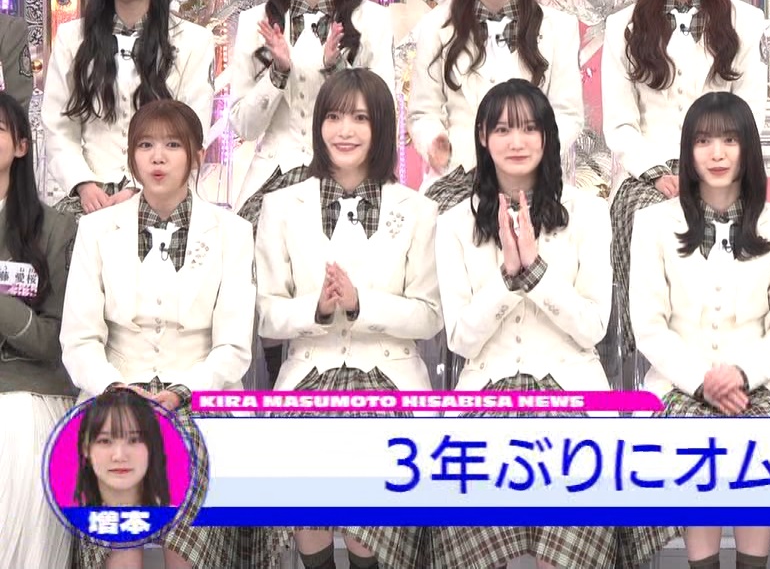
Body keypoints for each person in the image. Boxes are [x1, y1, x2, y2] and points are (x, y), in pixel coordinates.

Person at [255, 68, 441, 569]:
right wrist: (316, 309)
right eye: (334, 117)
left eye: (360, 118)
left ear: (381, 127)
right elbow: (267, 315)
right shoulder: (281, 206)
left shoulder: (418, 210)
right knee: (307, 500)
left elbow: (430, 316)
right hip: (309, 373)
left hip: (389, 377)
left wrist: (361, 305)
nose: (345, 131)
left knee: (367, 510)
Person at [61, 99, 255, 569]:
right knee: (114, 454)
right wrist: (114, 387)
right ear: (131, 157)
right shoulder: (96, 229)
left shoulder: (232, 232)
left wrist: (181, 392)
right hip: (115, 392)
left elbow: (233, 346)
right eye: (145, 145)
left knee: (189, 452)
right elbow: (79, 339)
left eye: (172, 145)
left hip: (198, 396)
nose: (158, 157)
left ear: (196, 156)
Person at [430, 79, 615, 568]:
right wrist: (507, 279)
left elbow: (593, 326)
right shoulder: (454, 223)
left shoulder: (590, 213)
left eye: (530, 129)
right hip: (486, 391)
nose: (517, 142)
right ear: (483, 137)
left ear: (548, 137)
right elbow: (461, 338)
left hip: (571, 392)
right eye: (503, 130)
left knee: (571, 515)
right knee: (470, 510)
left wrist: (535, 270)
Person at [624, 92, 770, 569]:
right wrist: (702, 380)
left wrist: (740, 374)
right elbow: (649, 325)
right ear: (688, 151)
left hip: (759, 382)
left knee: (763, 436)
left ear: (748, 148)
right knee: (691, 435)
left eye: (729, 140)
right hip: (677, 383)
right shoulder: (652, 224)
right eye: (703, 141)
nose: (717, 153)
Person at [601, 0, 768, 369]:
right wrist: (656, 172)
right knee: (643, 215)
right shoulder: (622, 27)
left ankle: (732, 354)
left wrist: (714, 168)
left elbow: (750, 115)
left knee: (737, 215)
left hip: (723, 165)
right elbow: (619, 124)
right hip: (648, 173)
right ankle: (651, 356)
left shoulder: (745, 21)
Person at [410, 0, 584, 213]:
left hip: (534, 176)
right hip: (459, 175)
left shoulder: (559, 27)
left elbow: (567, 113)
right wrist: (435, 143)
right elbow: (423, 112)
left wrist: (529, 157)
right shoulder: (435, 27)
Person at [231, 0, 396, 222]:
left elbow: (382, 117)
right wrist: (278, 72)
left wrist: (339, 70)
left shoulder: (373, 20)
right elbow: (245, 127)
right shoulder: (255, 22)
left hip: (349, 176)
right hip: (274, 177)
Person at [42, 0, 215, 217]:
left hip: (161, 192)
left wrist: (138, 187)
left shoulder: (194, 40)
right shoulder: (72, 38)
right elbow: (58, 125)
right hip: (90, 196)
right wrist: (83, 183)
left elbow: (192, 127)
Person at [0, 90, 78, 568]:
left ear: (22, 146)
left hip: (29, 390)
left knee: (14, 431)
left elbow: (56, 342)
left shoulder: (55, 229)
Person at [72, 387, 171, 508]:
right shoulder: (68, 516)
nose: (120, 456)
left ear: (152, 446)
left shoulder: (179, 516)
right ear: (86, 448)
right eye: (105, 441)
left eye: (134, 440)